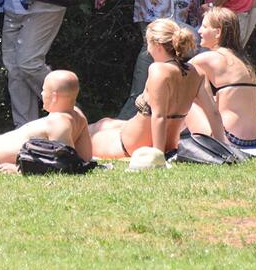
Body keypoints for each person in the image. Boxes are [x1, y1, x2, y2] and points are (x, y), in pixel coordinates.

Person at [87, 19, 227, 169]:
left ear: (158, 45)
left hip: (132, 143)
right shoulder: (197, 72)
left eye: (148, 43)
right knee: (104, 122)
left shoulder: (158, 70)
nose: (148, 50)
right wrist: (223, 148)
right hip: (169, 143)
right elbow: (213, 113)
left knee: (84, 135)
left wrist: (158, 156)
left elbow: (159, 116)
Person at [186, 7, 256, 147]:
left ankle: (163, 142)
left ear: (218, 32)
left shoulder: (209, 59)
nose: (199, 31)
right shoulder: (244, 61)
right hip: (252, 139)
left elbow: (174, 76)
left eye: (204, 26)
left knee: (185, 99)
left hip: (229, 139)